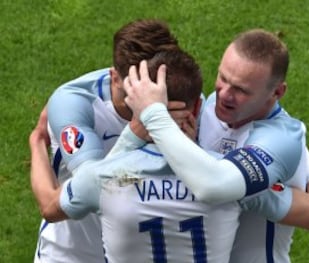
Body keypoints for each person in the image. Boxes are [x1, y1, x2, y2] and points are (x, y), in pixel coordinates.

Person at [120, 29, 309, 262]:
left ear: (277, 92)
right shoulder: (215, 105)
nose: (224, 94)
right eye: (222, 78)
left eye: (241, 90)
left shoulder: (280, 140)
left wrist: (244, 189)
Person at [30, 49, 245, 262]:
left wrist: (37, 140)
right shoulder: (230, 175)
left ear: (136, 102)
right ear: (198, 106)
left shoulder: (105, 178)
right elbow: (279, 211)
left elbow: (50, 207)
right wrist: (193, 146)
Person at [30, 19, 192, 263]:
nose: (147, 101)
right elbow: (93, 188)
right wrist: (137, 132)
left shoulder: (176, 98)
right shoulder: (73, 104)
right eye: (135, 90)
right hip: (73, 254)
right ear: (115, 77)